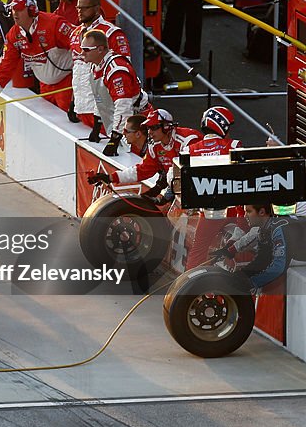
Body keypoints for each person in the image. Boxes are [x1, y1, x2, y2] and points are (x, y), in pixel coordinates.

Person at [0, 0, 74, 117]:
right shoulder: (13, 36)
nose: (15, 13)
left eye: (19, 9)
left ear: (32, 10)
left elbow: (79, 48)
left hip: (67, 84)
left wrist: (77, 93)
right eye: (13, 9)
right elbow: (5, 68)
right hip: (45, 86)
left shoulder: (54, 24)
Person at [182, 106, 244, 270]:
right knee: (251, 244)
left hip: (210, 213)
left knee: (197, 252)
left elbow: (173, 178)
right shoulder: (235, 145)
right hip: (237, 211)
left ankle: (191, 287)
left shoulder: (190, 150)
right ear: (222, 126)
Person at [86, 108, 201, 193]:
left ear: (166, 127)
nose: (150, 132)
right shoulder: (154, 145)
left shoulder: (187, 140)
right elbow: (142, 170)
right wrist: (110, 177)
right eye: (149, 128)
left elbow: (193, 172)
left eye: (154, 128)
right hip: (179, 186)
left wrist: (164, 188)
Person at [79, 29, 151, 157]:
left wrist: (115, 139)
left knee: (140, 159)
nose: (82, 53)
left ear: (100, 49)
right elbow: (100, 97)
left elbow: (124, 107)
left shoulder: (116, 70)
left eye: (86, 49)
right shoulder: (96, 65)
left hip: (137, 122)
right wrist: (97, 125)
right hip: (121, 121)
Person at [69, 0, 131, 133]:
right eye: (78, 8)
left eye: (85, 8)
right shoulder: (75, 33)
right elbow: (76, 70)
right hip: (81, 107)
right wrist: (72, 101)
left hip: (104, 108)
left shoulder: (112, 33)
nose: (80, 12)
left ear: (97, 8)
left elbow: (125, 70)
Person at [212, 205, 289, 290]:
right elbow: (262, 260)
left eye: (248, 211)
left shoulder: (278, 229)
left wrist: (251, 282)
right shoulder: (264, 228)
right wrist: (242, 274)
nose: (245, 216)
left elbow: (278, 267)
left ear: (262, 212)